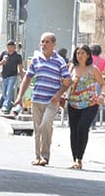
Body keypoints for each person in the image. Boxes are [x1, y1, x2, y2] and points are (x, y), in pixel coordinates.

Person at [14, 32, 72, 167]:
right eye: (42, 42)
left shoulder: (59, 61)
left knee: (46, 125)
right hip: (37, 99)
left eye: (47, 42)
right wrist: (19, 97)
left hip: (52, 101)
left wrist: (59, 95)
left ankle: (45, 156)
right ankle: (38, 156)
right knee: (38, 129)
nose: (44, 44)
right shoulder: (36, 59)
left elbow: (68, 81)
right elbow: (27, 78)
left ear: (53, 44)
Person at [66, 45, 105, 170]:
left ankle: (80, 158)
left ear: (88, 55)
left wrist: (102, 95)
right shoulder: (72, 68)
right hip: (73, 103)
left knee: (83, 127)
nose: (80, 55)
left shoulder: (93, 69)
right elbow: (67, 83)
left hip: (90, 103)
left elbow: (103, 85)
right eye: (78, 53)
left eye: (82, 53)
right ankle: (75, 159)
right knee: (74, 130)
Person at [0, 40, 24, 113]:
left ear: (14, 47)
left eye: (12, 47)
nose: (10, 49)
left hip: (13, 75)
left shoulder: (18, 56)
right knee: (4, 92)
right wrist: (2, 62)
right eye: (8, 47)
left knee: (9, 91)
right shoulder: (4, 54)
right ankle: (10, 104)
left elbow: (20, 68)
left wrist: (22, 79)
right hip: (4, 75)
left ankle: (6, 107)